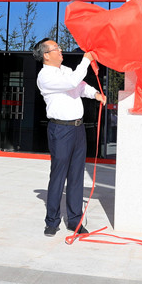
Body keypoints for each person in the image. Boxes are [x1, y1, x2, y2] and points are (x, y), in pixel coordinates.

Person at [33, 38, 106, 237]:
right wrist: (86, 59)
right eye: (56, 48)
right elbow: (72, 82)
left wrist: (95, 94)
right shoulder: (45, 76)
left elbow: (79, 86)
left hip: (78, 129)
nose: (60, 50)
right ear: (46, 55)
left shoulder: (65, 70)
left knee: (76, 176)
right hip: (60, 130)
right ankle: (52, 221)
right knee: (58, 176)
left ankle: (75, 221)